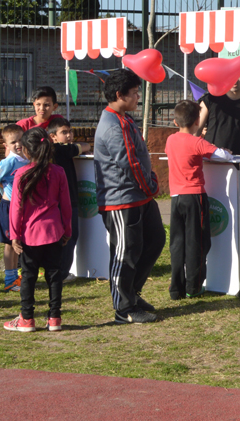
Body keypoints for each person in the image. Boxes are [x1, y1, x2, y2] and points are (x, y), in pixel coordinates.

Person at [94, 70, 164, 324]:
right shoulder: (113, 125)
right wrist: (151, 186)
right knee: (125, 253)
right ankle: (124, 308)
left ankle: (132, 293)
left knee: (155, 240)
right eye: (134, 93)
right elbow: (130, 164)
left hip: (139, 197)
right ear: (119, 95)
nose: (138, 98)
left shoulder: (125, 119)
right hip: (122, 200)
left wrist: (148, 186)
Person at [3, 128, 72, 332]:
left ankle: (27, 318)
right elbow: (66, 205)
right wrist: (67, 230)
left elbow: (16, 208)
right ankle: (54, 318)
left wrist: (14, 235)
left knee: (28, 276)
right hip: (54, 232)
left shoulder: (21, 174)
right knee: (54, 275)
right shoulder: (58, 171)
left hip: (29, 235)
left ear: (25, 150)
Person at [165, 100, 233, 300]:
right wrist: (226, 152)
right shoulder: (197, 143)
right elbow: (222, 156)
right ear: (197, 121)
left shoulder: (170, 140)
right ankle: (193, 286)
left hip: (176, 197)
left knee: (177, 244)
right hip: (194, 197)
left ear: (175, 122)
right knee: (198, 243)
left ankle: (176, 288)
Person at [46, 117, 92, 282]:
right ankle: (62, 273)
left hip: (60, 200)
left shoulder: (55, 150)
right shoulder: (60, 149)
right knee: (69, 235)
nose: (69, 135)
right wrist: (82, 147)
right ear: (53, 137)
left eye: (70, 131)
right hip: (66, 201)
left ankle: (57, 270)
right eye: (64, 132)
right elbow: (86, 146)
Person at [0, 124, 28, 292]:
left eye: (20, 140)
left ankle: (16, 277)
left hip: (21, 206)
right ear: (6, 145)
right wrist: (3, 182)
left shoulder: (26, 158)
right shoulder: (9, 161)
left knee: (18, 242)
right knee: (10, 243)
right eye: (13, 142)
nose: (18, 144)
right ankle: (9, 279)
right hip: (9, 205)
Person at [198, 66, 240, 156]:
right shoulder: (210, 100)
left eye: (239, 76)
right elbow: (196, 130)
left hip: (235, 160)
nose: (235, 80)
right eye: (231, 76)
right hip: (208, 158)